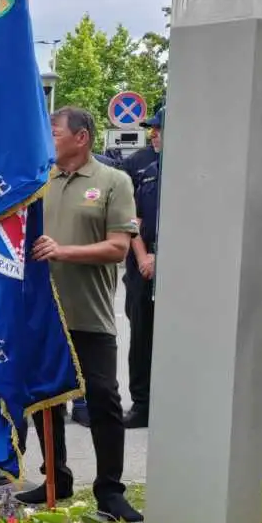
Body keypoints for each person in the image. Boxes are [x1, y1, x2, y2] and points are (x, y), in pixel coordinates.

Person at [18, 106, 143, 523]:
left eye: (53, 132)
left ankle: (110, 491)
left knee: (103, 399)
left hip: (89, 315)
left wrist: (63, 251)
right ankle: (56, 477)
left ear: (82, 137)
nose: (47, 138)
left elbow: (118, 248)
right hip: (42, 314)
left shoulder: (113, 181)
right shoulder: (39, 181)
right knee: (45, 398)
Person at [122, 109, 164, 429]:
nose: (154, 135)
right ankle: (142, 404)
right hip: (144, 269)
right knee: (141, 338)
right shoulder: (146, 171)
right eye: (153, 130)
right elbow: (134, 221)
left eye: (159, 129)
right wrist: (143, 257)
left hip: (174, 271)